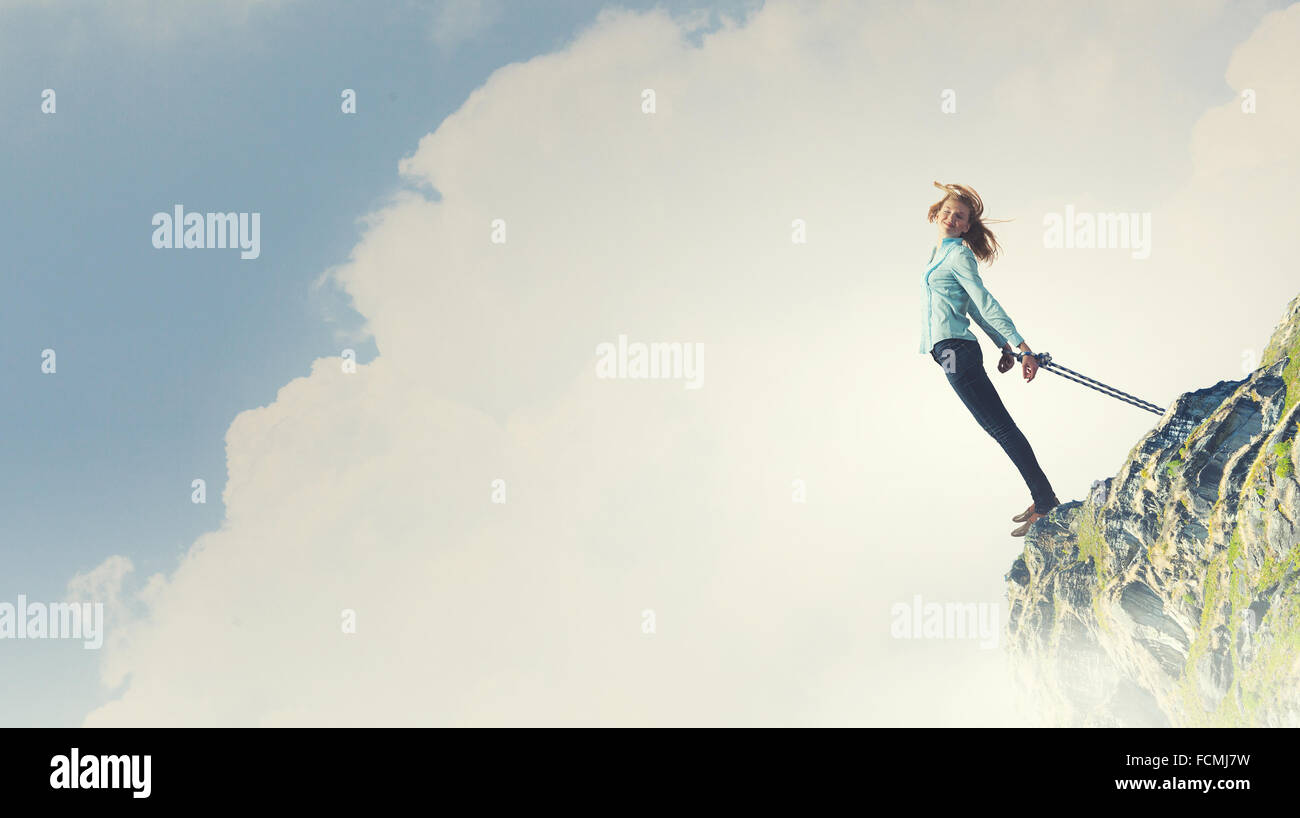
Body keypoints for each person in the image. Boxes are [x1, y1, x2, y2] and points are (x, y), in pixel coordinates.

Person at [920, 181, 1059, 537]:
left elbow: (985, 302)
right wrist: (1003, 346)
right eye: (948, 212)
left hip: (955, 351)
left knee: (1000, 428)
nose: (952, 218)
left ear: (967, 226)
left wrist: (1022, 347)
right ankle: (1043, 497)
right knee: (998, 428)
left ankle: (1046, 502)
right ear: (936, 214)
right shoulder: (938, 256)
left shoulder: (958, 255)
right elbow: (973, 309)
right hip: (949, 352)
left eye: (960, 216)